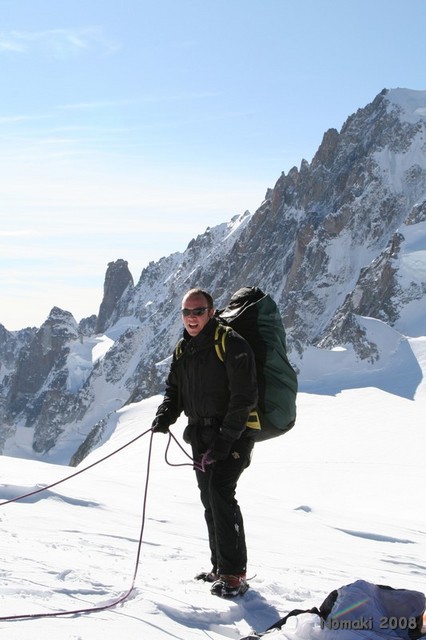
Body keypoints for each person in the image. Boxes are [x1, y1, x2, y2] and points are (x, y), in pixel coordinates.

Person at [151, 287, 258, 598]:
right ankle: (220, 568)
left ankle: (234, 575)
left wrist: (226, 440)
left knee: (221, 493)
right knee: (210, 499)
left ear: (211, 312)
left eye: (198, 311)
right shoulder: (184, 350)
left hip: (234, 433)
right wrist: (165, 416)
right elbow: (175, 391)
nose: (192, 317)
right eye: (186, 312)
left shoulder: (230, 342)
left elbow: (244, 397)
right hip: (200, 435)